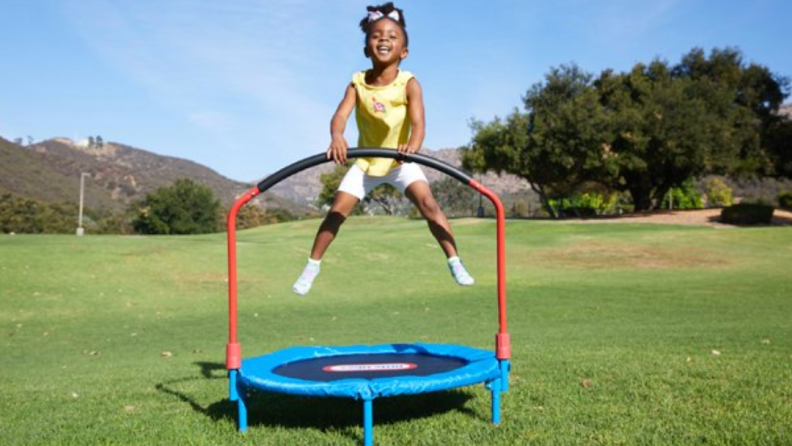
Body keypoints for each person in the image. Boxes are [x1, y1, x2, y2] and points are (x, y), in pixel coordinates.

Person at [293, 2, 474, 295]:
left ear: (404, 51)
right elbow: (339, 116)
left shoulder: (409, 83)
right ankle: (312, 266)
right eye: (376, 36)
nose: (384, 40)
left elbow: (419, 124)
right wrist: (337, 136)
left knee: (429, 206)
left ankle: (454, 260)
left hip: (400, 161)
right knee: (336, 212)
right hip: (366, 163)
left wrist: (411, 148)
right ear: (367, 48)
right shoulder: (357, 83)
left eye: (392, 36)